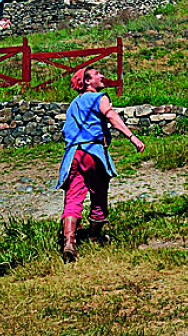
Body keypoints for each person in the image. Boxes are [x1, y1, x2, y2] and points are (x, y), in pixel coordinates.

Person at [57, 66, 145, 262]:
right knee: (98, 195)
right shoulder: (99, 98)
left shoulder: (72, 105)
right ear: (88, 82)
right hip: (92, 153)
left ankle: (69, 242)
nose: (102, 76)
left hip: (72, 155)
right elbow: (111, 117)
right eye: (97, 74)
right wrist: (132, 137)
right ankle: (95, 237)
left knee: (72, 199)